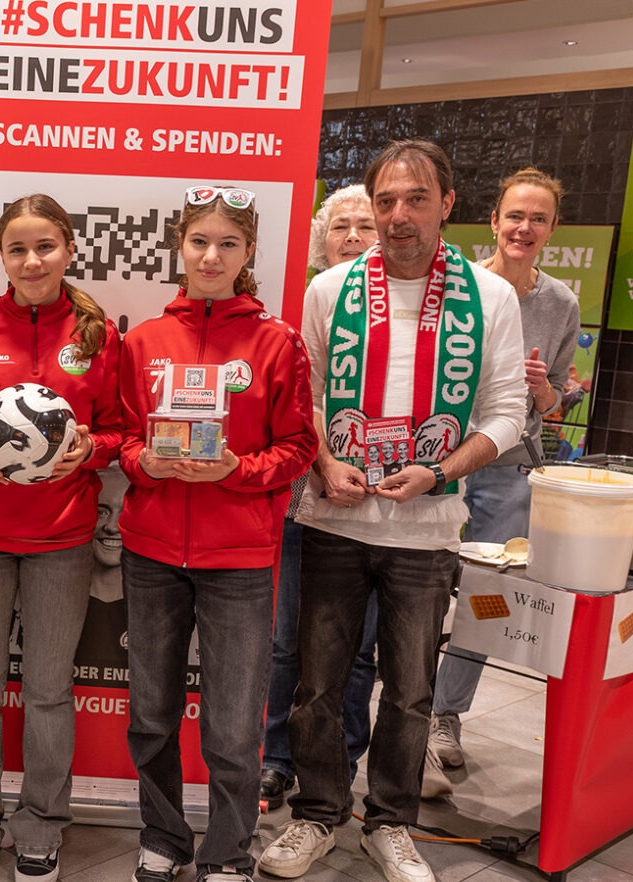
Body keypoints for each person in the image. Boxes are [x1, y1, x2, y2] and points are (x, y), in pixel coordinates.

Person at [258, 140, 526, 882]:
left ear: (448, 203)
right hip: (334, 519)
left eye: (415, 199)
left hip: (428, 528)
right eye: (385, 201)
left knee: (409, 691)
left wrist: (441, 469)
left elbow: (507, 415)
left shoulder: (489, 295)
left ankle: (390, 823)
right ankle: (315, 816)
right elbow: (302, 400)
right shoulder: (330, 289)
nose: (398, 216)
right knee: (316, 683)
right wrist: (322, 458)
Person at [119, 185, 317, 882]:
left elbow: (298, 447)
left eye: (227, 244)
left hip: (239, 559)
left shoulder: (277, 342)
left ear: (249, 253)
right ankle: (164, 836)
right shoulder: (142, 340)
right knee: (151, 714)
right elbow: (118, 435)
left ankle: (228, 852)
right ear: (179, 247)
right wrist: (138, 459)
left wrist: (237, 470)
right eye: (199, 241)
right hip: (151, 554)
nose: (211, 255)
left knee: (233, 730)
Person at [0, 194, 122, 882]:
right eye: (18, 249)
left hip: (62, 540)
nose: (32, 260)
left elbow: (124, 431)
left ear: (69, 249)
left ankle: (42, 821)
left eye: (45, 246)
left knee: (47, 691)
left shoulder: (98, 335)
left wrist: (91, 450)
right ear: (2, 256)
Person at [427, 168, 580, 773]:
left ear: (551, 229)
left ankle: (445, 716)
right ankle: (400, 710)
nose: (524, 228)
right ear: (494, 221)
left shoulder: (560, 303)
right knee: (419, 593)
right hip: (443, 466)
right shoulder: (459, 287)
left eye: (537, 219)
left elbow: (555, 404)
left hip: (511, 475)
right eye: (515, 216)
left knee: (486, 603)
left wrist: (544, 390)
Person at [261, 184, 380, 810]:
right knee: (285, 640)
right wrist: (319, 468)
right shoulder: (293, 313)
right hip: (298, 497)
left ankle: (341, 758)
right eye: (341, 226)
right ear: (319, 240)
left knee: (358, 647)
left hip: (374, 508)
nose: (354, 236)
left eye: (366, 225)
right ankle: (276, 758)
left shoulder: (406, 320)